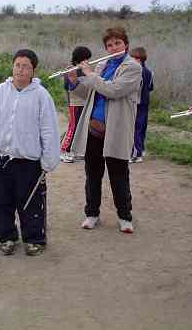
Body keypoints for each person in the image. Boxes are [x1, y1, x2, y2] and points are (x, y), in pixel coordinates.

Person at [0, 49, 60, 256]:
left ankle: (34, 239)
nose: (20, 70)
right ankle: (6, 237)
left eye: (26, 66)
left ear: (33, 70)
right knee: (1, 200)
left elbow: (49, 130)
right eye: (17, 65)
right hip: (1, 158)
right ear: (12, 66)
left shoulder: (42, 96)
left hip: (29, 161)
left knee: (30, 202)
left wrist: (48, 161)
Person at [66, 27, 142, 233]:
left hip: (115, 130)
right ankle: (92, 213)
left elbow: (113, 90)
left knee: (119, 175)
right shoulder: (102, 64)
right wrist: (75, 81)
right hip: (94, 129)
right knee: (92, 174)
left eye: (117, 43)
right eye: (109, 45)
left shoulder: (133, 68)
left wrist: (89, 74)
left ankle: (125, 216)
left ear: (126, 44)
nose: (113, 47)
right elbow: (89, 92)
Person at [60, 46, 92, 163]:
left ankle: (77, 151)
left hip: (85, 103)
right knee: (73, 127)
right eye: (86, 59)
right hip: (74, 104)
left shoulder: (85, 69)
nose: (87, 61)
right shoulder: (70, 69)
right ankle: (63, 150)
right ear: (80, 59)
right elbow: (67, 87)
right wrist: (71, 78)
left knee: (82, 128)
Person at [129, 46, 154, 163]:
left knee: (135, 128)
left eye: (132, 58)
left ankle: (136, 154)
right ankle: (141, 149)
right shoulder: (149, 72)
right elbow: (150, 87)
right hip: (145, 103)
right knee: (142, 127)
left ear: (139, 59)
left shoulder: (136, 71)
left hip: (136, 103)